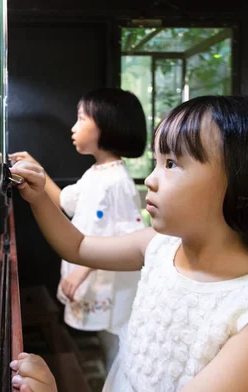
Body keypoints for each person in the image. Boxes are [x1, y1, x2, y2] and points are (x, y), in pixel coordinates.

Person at [9, 95, 248, 392]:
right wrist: (38, 199)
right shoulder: (160, 245)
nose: (152, 180)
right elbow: (78, 246)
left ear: (245, 185)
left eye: (171, 163)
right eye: (156, 162)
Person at [9, 88, 147, 369]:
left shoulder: (118, 181)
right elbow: (64, 201)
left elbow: (128, 238)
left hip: (105, 277)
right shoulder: (96, 173)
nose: (74, 127)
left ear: (106, 126)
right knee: (109, 342)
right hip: (94, 273)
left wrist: (81, 270)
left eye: (82, 119)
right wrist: (37, 170)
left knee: (119, 344)